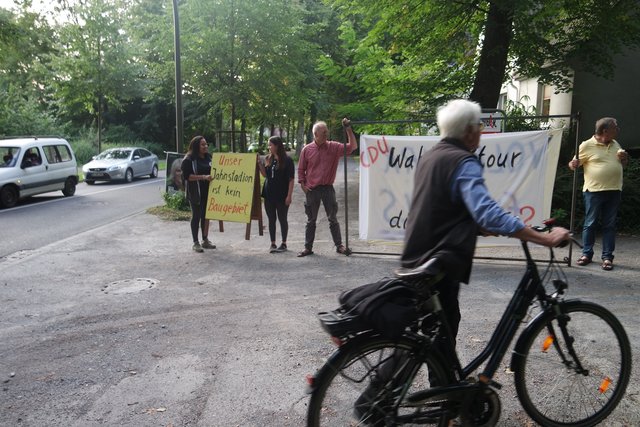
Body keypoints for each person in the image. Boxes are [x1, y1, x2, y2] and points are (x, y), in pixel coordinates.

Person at [354, 99, 570, 423]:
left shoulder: (432, 157)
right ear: (469, 131)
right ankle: (401, 401)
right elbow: (486, 211)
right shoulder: (463, 161)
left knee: (432, 334)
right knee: (432, 335)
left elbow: (445, 206)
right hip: (439, 263)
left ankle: (437, 398)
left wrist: (476, 225)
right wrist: (545, 238)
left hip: (418, 255)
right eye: (479, 126)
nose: (481, 132)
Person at [568, 117, 628, 271]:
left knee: (610, 225)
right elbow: (573, 164)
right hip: (594, 191)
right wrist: (573, 164)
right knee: (590, 223)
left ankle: (607, 257)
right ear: (605, 131)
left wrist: (624, 159)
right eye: (615, 127)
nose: (618, 130)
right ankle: (586, 254)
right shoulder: (586, 145)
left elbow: (623, 165)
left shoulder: (616, 144)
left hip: (614, 190)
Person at [297, 118, 357, 257]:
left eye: (326, 132)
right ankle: (308, 248)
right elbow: (301, 169)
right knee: (311, 220)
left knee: (333, 219)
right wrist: (302, 185)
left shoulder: (333, 147)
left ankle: (339, 246)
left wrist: (348, 129)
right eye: (323, 132)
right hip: (312, 189)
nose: (326, 134)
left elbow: (352, 147)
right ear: (315, 134)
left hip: (328, 189)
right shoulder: (307, 150)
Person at [258, 136, 295, 253]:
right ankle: (273, 243)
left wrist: (289, 195)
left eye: (270, 145)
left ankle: (284, 243)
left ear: (277, 146)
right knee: (271, 219)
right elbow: (265, 175)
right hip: (269, 194)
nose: (268, 147)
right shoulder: (268, 158)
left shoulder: (287, 160)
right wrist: (259, 164)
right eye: (268, 145)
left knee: (282, 218)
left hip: (282, 194)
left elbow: (291, 179)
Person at [181, 136, 216, 253]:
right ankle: (195, 242)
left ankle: (205, 240)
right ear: (196, 146)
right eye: (203, 145)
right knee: (196, 216)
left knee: (205, 216)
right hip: (196, 193)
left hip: (208, 192)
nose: (206, 146)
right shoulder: (189, 160)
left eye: (206, 144)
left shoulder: (208, 157)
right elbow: (187, 176)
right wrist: (203, 177)